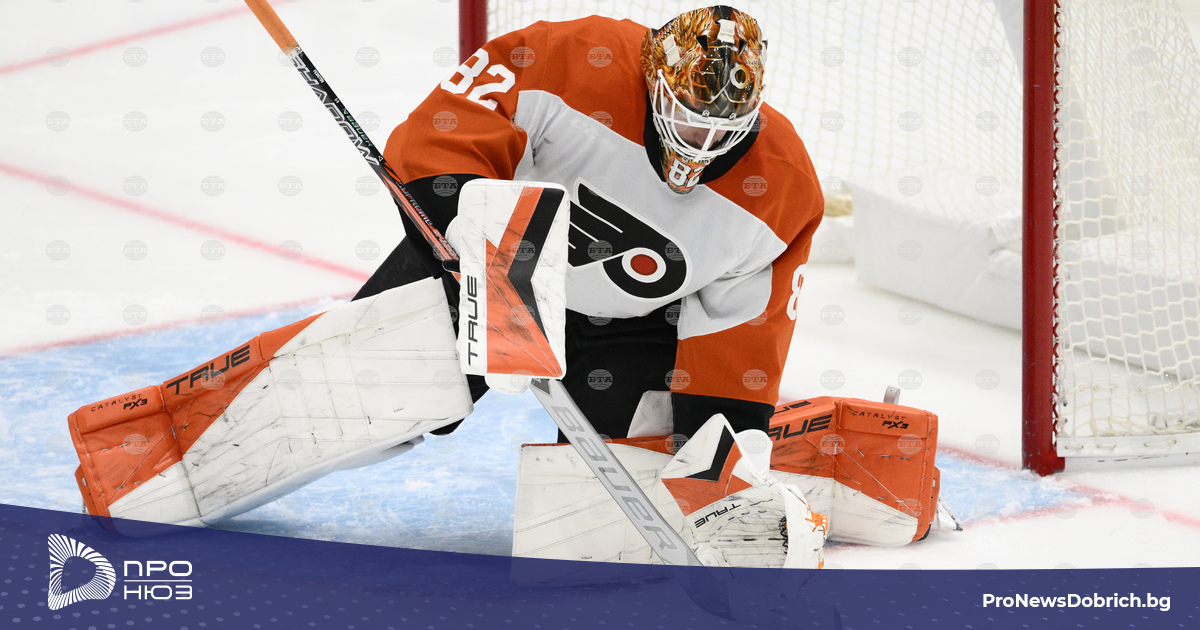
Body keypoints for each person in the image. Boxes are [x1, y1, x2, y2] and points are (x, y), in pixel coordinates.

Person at [67, 5, 828, 569]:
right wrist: (485, 249)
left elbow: (740, 343)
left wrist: (723, 452)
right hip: (486, 263)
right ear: (653, 79)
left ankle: (813, 450)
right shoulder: (570, 57)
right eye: (687, 123)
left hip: (635, 333)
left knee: (616, 530)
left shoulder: (782, 193)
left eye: (719, 133)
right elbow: (439, 135)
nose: (698, 147)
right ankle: (136, 461)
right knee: (352, 392)